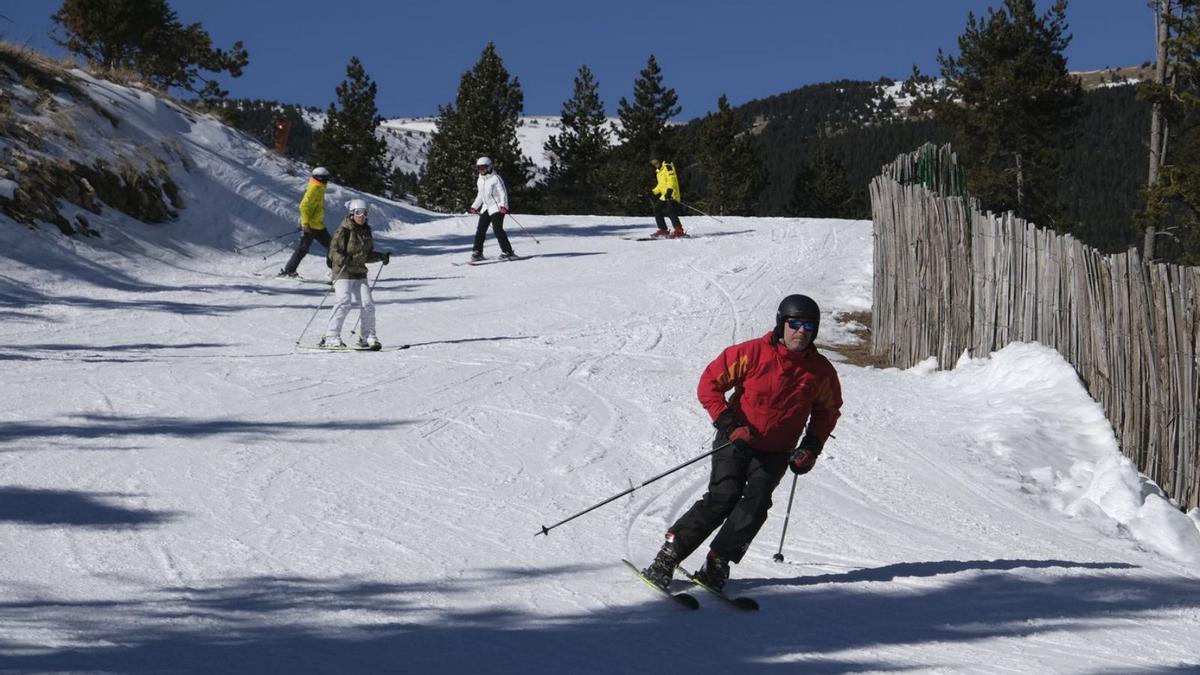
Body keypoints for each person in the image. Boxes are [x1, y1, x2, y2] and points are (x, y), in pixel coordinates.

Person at [641, 294, 842, 590]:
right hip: (736, 440)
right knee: (723, 497)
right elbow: (709, 385)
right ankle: (668, 556)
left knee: (756, 505)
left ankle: (717, 562)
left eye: (808, 326)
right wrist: (730, 424)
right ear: (781, 324)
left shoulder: (820, 371)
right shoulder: (751, 354)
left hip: (776, 450)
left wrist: (811, 447)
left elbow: (827, 411)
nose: (801, 331)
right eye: (794, 323)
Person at [319, 199, 390, 349]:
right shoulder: (343, 230)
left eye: (365, 213)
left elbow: (366, 255)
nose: (362, 216)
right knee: (344, 302)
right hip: (343, 271)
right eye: (358, 213)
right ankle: (331, 336)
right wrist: (344, 258)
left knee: (368, 304)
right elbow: (333, 252)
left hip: (358, 272)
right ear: (352, 214)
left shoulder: (366, 231)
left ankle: (368, 336)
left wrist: (380, 256)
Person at [280, 167, 332, 278]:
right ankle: (289, 271)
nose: (327, 180)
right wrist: (305, 224)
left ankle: (335, 271)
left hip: (318, 225)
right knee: (303, 249)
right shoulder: (314, 189)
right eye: (326, 178)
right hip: (311, 226)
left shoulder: (320, 188)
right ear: (320, 178)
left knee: (333, 247)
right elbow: (304, 206)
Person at [469, 156, 517, 262]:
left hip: (498, 207)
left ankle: (507, 251)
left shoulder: (496, 178)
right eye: (479, 168)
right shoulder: (480, 180)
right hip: (486, 207)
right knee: (481, 229)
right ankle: (477, 252)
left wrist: (504, 206)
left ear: (490, 167)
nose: (481, 170)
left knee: (497, 229)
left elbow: (503, 193)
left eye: (484, 167)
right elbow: (480, 195)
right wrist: (475, 206)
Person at [649, 149, 686, 239]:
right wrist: (652, 192)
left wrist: (670, 190)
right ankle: (663, 229)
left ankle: (679, 231)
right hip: (664, 196)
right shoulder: (659, 172)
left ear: (660, 160)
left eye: (656, 162)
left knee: (670, 210)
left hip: (672, 194)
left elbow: (672, 180)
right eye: (653, 163)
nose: (655, 165)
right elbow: (661, 185)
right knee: (657, 208)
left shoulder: (668, 167)